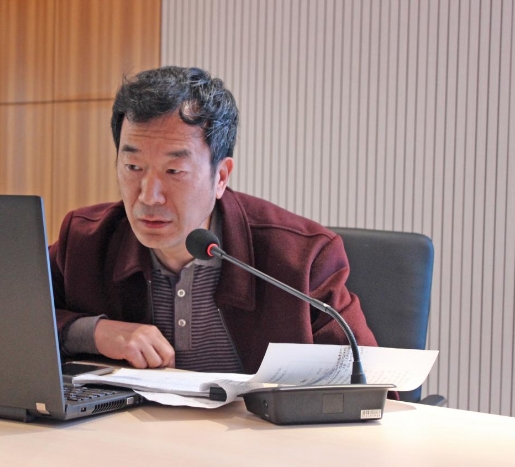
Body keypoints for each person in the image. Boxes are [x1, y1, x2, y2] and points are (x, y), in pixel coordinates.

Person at [49, 66, 378, 374]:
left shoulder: (302, 258)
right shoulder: (86, 240)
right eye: (133, 167)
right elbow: (19, 316)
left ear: (220, 176)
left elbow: (372, 386)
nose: (148, 196)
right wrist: (95, 332)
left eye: (174, 171)